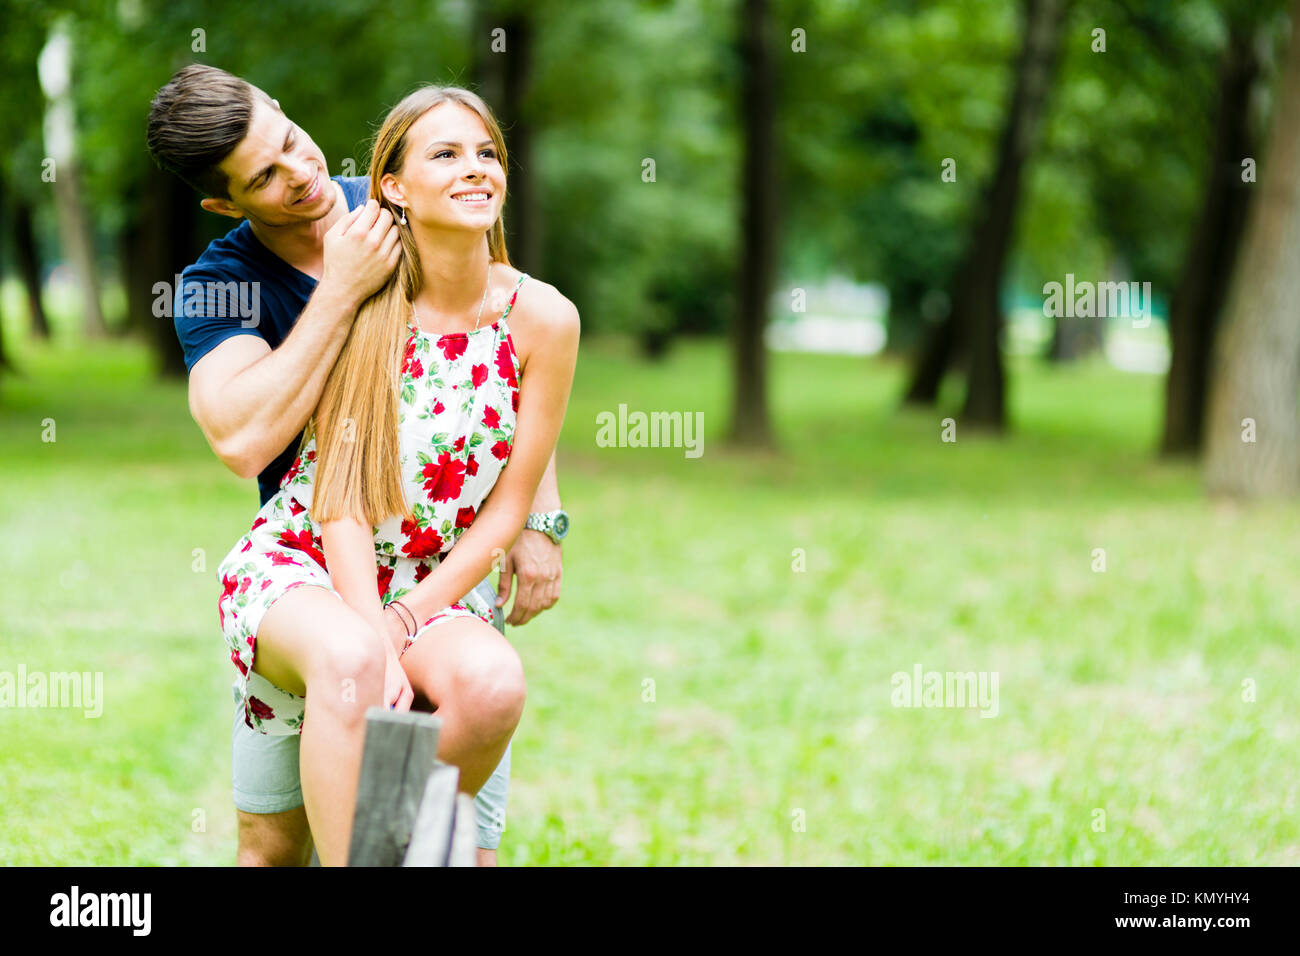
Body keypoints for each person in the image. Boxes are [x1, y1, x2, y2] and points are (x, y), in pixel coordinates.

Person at [147, 65, 573, 865]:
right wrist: (339, 292)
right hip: (316, 554)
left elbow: (506, 355)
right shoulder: (220, 286)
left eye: (292, 145)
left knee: (461, 838)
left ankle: (404, 842)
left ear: (285, 108)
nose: (303, 177)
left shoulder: (408, 192)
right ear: (225, 203)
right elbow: (243, 443)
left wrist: (540, 521)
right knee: (272, 847)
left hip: (435, 562)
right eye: (265, 177)